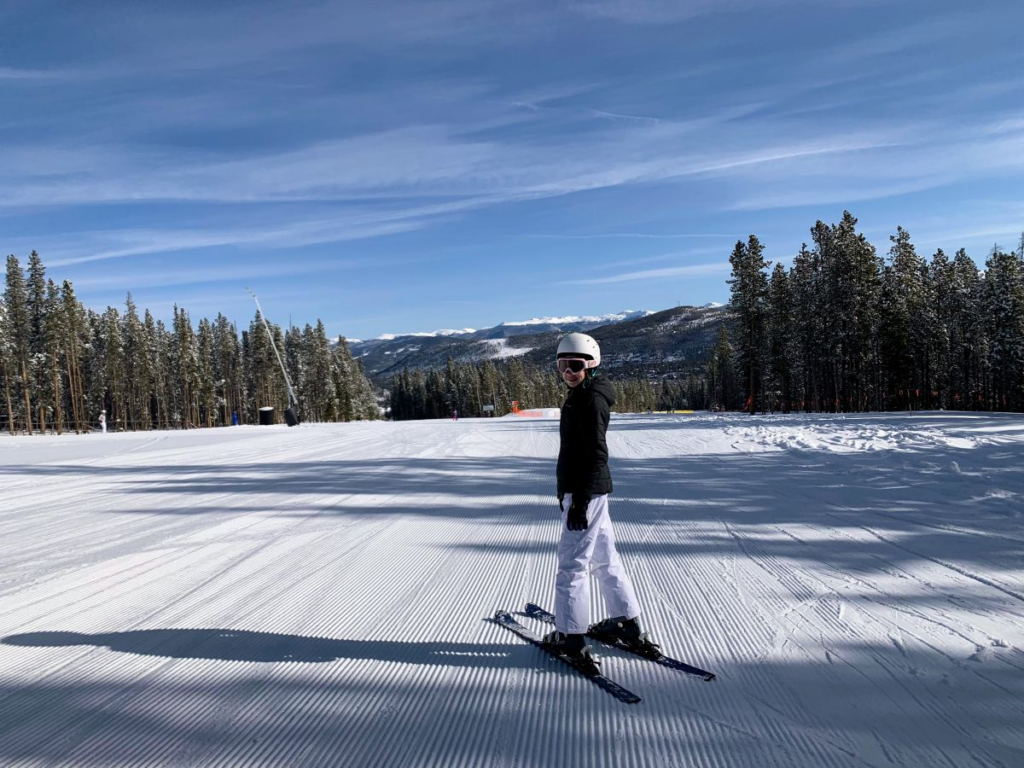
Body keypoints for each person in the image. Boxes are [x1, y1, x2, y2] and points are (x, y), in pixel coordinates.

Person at [542, 333, 658, 669]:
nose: (568, 371)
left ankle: (570, 637)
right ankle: (626, 622)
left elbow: (595, 454)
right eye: (562, 364)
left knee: (571, 567)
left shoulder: (589, 399)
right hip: (590, 492)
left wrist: (578, 501)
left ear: (591, 365)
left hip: (585, 492)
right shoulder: (582, 394)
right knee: (605, 559)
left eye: (575, 365)